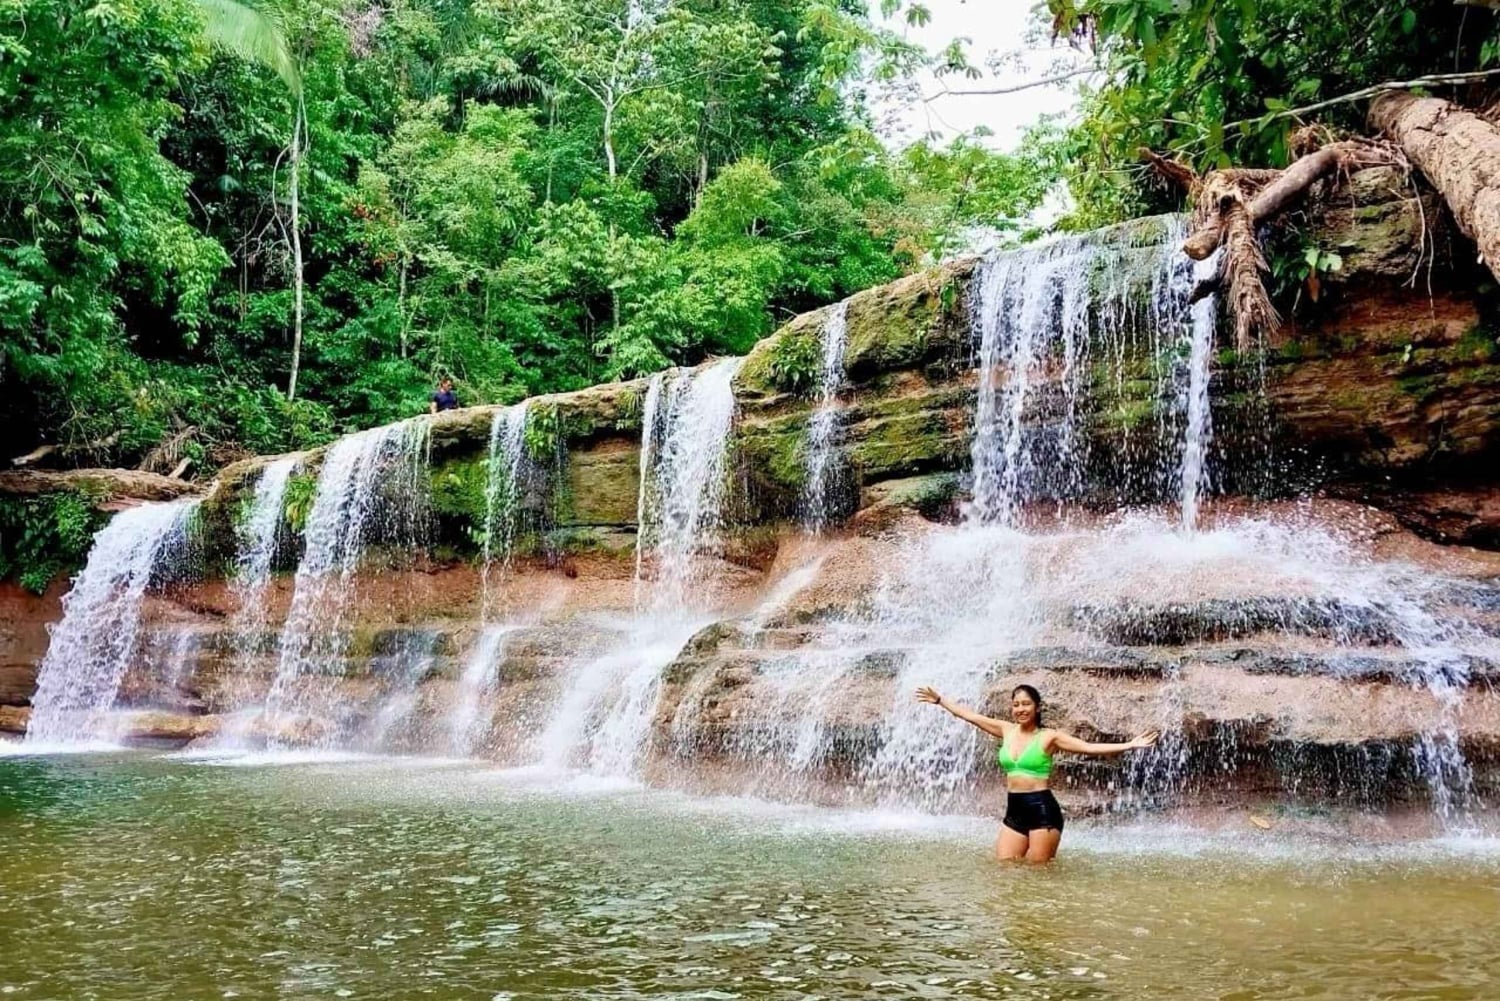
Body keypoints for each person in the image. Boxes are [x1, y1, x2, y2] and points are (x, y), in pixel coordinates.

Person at [915, 683, 1159, 863]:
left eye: (1026, 704)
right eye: (1016, 704)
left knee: (1038, 874)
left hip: (1042, 810)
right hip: (1015, 809)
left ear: (1037, 707)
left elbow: (1089, 748)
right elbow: (969, 716)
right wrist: (940, 701)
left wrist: (1129, 745)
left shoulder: (1049, 737)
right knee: (1004, 867)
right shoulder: (1006, 730)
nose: (1020, 709)